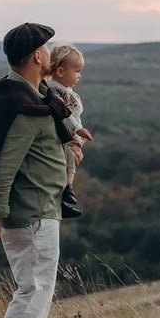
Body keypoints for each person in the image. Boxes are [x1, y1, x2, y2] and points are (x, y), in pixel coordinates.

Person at [0, 22, 82, 318]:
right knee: (36, 290)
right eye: (47, 49)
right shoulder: (21, 106)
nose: (50, 53)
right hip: (32, 213)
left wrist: (70, 144)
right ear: (37, 55)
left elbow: (50, 135)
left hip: (38, 209)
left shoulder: (38, 97)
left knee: (33, 289)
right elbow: (4, 165)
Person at [46, 45, 93, 219]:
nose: (79, 75)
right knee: (68, 157)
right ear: (60, 71)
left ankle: (68, 190)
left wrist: (78, 138)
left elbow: (76, 116)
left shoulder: (70, 92)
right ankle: (66, 190)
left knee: (72, 158)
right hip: (62, 134)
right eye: (77, 71)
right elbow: (62, 112)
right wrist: (77, 130)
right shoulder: (54, 90)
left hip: (71, 134)